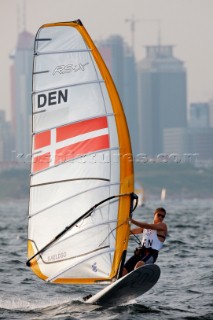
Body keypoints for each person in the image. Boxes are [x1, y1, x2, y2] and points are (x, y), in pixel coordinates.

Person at [122, 207, 167, 276]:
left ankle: (136, 282)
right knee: (123, 270)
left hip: (151, 254)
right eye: (159, 215)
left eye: (163, 216)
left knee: (139, 265)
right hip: (140, 252)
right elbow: (130, 232)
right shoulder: (145, 228)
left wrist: (132, 220)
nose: (161, 217)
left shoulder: (163, 226)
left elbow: (147, 225)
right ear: (154, 214)